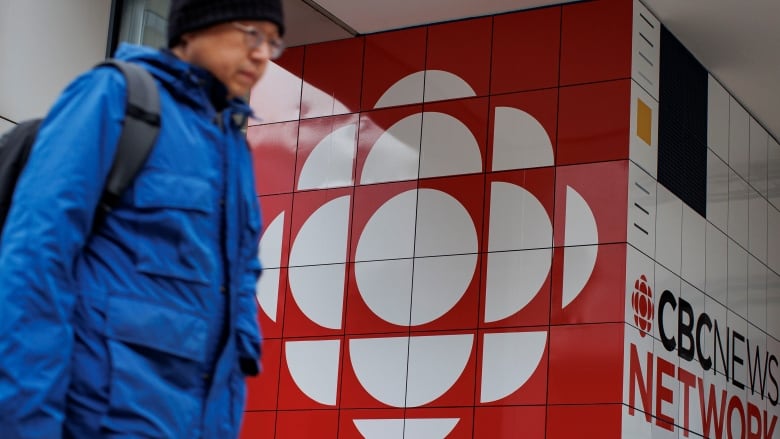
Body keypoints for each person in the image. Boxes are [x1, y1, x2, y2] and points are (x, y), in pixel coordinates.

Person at [0, 0, 284, 437]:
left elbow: (234, 314)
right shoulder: (114, 96)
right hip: (98, 421)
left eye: (273, 40)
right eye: (251, 33)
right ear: (192, 27)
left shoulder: (234, 149)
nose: (262, 53)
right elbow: (35, 265)